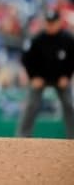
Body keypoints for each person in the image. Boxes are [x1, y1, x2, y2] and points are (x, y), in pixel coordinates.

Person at [16, 9, 74, 139]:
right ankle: (22, 137)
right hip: (40, 78)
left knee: (69, 104)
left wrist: (67, 76)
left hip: (61, 79)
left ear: (59, 23)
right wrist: (33, 77)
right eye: (48, 22)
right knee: (31, 105)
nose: (50, 25)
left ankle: (72, 137)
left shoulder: (68, 39)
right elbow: (26, 59)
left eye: (53, 22)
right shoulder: (37, 39)